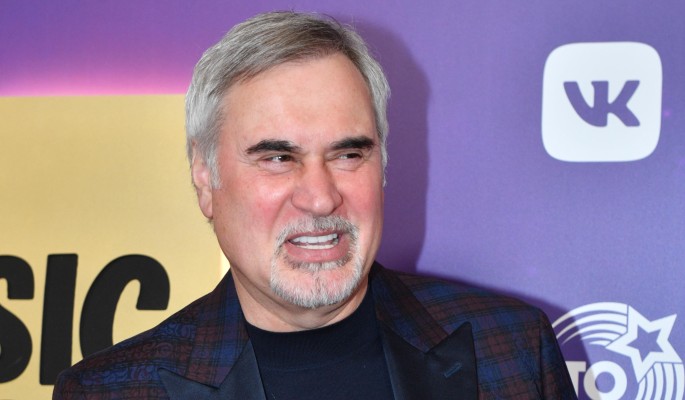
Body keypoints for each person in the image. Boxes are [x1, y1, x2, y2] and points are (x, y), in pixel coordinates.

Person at [53, 11, 576, 399]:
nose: (321, 196)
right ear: (205, 177)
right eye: (278, 158)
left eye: (348, 154)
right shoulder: (110, 392)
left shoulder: (513, 350)